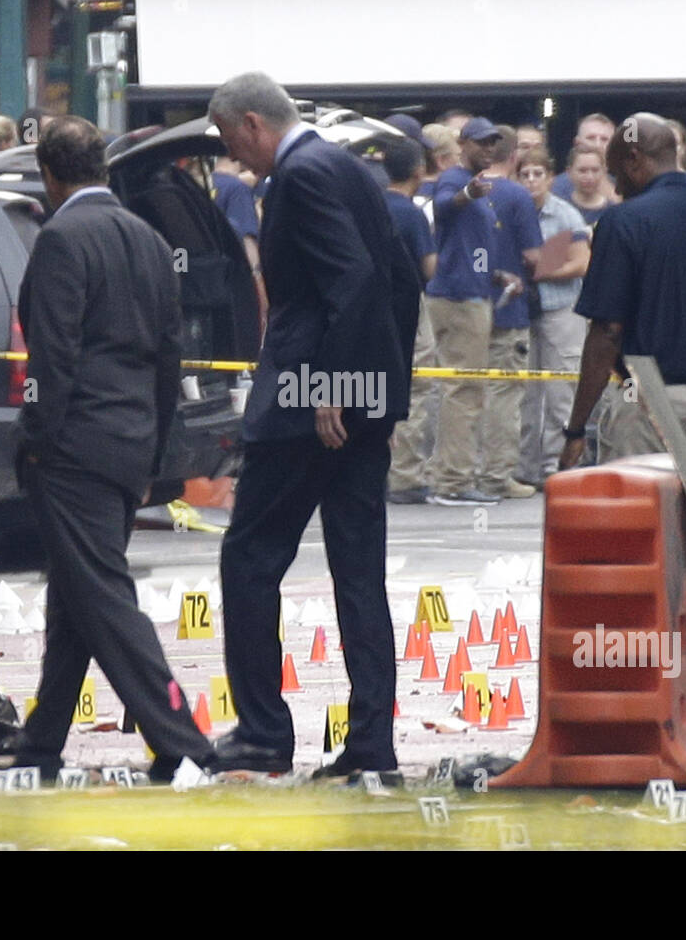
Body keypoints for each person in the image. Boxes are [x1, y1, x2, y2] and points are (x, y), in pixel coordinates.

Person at [207, 72, 419, 782]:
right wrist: (383, 396)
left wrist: (329, 380)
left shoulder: (298, 175)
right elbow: (399, 281)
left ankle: (264, 732)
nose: (236, 159)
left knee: (249, 556)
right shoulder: (352, 169)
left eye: (231, 142)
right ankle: (370, 745)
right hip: (355, 401)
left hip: (307, 401)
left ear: (250, 124)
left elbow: (353, 280)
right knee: (357, 571)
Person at [13, 116, 216, 783]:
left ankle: (182, 739)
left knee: (99, 594)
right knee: (75, 595)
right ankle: (41, 741)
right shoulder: (151, 240)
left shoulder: (62, 238)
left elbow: (53, 353)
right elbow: (169, 356)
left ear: (48, 175)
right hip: (130, 442)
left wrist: (37, 433)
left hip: (75, 446)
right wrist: (161, 447)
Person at [559, 113, 686, 505]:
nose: (616, 189)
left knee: (637, 529)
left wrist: (576, 429)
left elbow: (606, 333)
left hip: (644, 401)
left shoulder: (621, 222)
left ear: (635, 160)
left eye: (617, 175)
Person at [424, 116, 524, 506]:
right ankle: (452, 481)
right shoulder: (456, 178)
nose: (488, 149)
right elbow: (445, 205)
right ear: (463, 143)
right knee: (464, 389)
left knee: (462, 389)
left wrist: (497, 276)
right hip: (459, 300)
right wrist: (468, 191)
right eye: (481, 142)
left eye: (493, 143)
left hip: (470, 291)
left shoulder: (476, 188)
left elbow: (466, 248)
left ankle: (448, 475)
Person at [515, 146, 591, 484]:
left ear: (550, 177)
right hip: (521, 310)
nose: (531, 181)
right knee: (523, 392)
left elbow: (581, 263)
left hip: (561, 307)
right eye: (525, 174)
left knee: (562, 389)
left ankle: (559, 467)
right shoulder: (513, 210)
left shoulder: (565, 214)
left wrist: (541, 271)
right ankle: (523, 468)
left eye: (538, 174)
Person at [476, 126, 540, 499]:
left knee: (463, 391)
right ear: (515, 157)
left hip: (466, 302)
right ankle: (496, 474)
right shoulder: (516, 196)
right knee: (504, 393)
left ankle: (459, 471)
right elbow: (534, 257)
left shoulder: (465, 190)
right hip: (509, 306)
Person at [383, 139, 440, 504]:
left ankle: (381, 468)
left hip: (371, 307)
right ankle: (406, 475)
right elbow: (429, 268)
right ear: (418, 171)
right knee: (417, 387)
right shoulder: (411, 213)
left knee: (373, 387)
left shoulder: (370, 204)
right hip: (408, 307)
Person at [551, 113, 615, 200]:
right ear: (577, 143)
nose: (598, 145)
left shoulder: (621, 186)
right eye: (591, 138)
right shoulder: (555, 188)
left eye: (604, 139)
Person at [564, 144, 614, 228]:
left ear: (604, 171)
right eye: (582, 171)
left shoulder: (612, 213)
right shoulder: (561, 209)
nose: (589, 177)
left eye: (595, 170)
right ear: (569, 172)